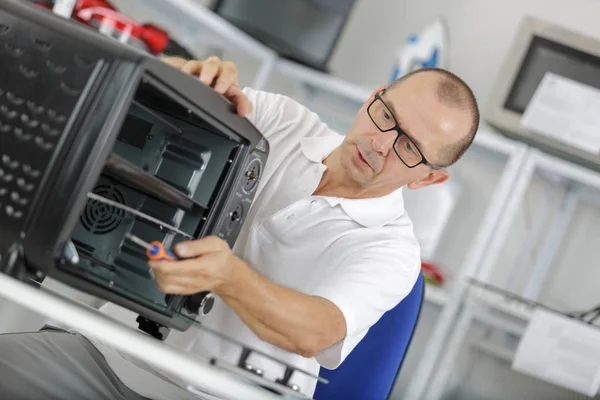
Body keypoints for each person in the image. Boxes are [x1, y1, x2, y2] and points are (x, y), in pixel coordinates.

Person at [0, 55, 479, 400]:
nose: (381, 143)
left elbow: (316, 331)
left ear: (428, 178)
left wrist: (229, 277)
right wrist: (189, 77)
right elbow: (187, 105)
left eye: (409, 147)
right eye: (386, 115)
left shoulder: (392, 250)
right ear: (374, 96)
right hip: (106, 356)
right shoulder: (285, 121)